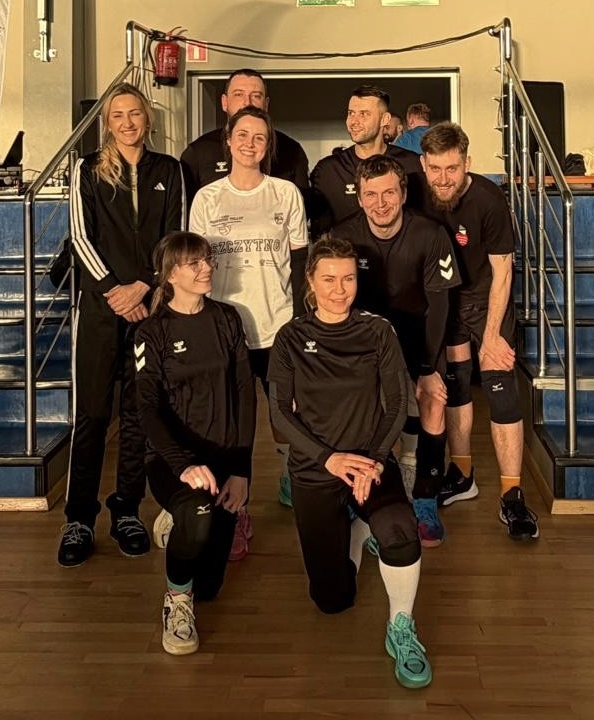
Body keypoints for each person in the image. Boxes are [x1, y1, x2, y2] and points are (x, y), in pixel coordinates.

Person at [268, 238, 432, 690]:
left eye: (348, 279)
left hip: (371, 463)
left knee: (400, 531)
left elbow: (398, 401)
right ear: (310, 283)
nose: (339, 290)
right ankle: (358, 529)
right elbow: (279, 412)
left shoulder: (377, 331)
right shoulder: (291, 338)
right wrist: (329, 458)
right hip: (314, 470)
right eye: (329, 280)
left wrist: (374, 459)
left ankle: (401, 626)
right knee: (332, 599)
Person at [59, 82, 185, 568]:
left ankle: (127, 509)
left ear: (146, 118)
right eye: (118, 116)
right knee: (92, 414)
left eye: (135, 114)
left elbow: (175, 235)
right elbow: (80, 236)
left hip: (150, 312)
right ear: (107, 124)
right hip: (100, 309)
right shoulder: (88, 171)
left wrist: (149, 288)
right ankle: (79, 518)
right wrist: (116, 289)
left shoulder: (169, 171)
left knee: (138, 416)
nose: (128, 123)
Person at [188, 105, 308, 555]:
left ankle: (290, 481)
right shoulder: (208, 199)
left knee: (284, 414)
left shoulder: (286, 194)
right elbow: (194, 267)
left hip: (277, 324)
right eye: (243, 136)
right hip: (224, 330)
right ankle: (236, 510)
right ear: (229, 140)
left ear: (268, 144)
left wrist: (300, 323)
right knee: (233, 426)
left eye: (259, 138)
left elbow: (298, 265)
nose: (250, 144)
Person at [136, 231, 256, 656]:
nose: (207, 268)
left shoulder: (227, 318)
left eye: (208, 260)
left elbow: (245, 394)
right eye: (195, 263)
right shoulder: (152, 332)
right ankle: (175, 600)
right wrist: (183, 463)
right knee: (198, 512)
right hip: (175, 463)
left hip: (222, 461)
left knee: (210, 588)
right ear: (170, 274)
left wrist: (242, 471)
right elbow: (147, 409)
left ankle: (183, 524)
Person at [331, 154, 460, 548]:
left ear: (403, 193)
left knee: (434, 399)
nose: (380, 203)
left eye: (389, 192)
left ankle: (424, 497)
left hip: (417, 333)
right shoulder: (344, 236)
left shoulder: (431, 234)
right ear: (359, 197)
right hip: (365, 338)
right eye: (371, 194)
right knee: (357, 408)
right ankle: (363, 492)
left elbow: (439, 307)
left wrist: (426, 367)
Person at [420, 123, 539, 541]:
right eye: (435, 168)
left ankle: (512, 495)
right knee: (455, 387)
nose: (443, 178)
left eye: (452, 168)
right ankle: (463, 473)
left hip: (488, 300)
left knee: (499, 383)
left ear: (467, 163)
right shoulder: (421, 193)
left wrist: (491, 338)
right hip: (445, 301)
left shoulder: (489, 200)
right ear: (424, 164)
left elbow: (503, 269)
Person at [308, 84, 425, 237]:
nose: (354, 121)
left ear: (385, 119)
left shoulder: (412, 165)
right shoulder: (328, 171)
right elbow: (320, 235)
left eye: (364, 114)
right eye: (351, 113)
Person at [180, 68, 309, 204]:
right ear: (225, 102)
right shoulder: (198, 152)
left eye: (256, 96)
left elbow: (303, 209)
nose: (247, 102)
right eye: (238, 94)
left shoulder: (292, 150)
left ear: (266, 104)